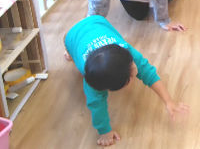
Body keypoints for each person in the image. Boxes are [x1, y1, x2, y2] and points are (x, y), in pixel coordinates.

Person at [64, 15, 189, 146]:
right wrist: (105, 131)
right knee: (69, 47)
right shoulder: (93, 84)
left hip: (97, 21)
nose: (136, 67)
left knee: (141, 66)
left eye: (132, 64)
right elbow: (96, 106)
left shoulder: (126, 51)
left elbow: (148, 72)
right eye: (132, 73)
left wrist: (168, 101)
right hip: (72, 37)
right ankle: (68, 51)